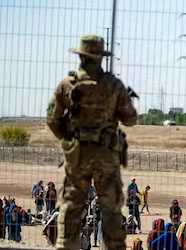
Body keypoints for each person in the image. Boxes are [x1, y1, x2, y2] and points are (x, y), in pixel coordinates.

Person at [46, 34, 137, 249]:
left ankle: (65, 244)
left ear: (81, 57)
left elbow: (52, 119)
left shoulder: (67, 85)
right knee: (111, 207)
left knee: (71, 203)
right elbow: (131, 119)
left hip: (77, 154)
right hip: (106, 154)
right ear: (100, 57)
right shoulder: (114, 85)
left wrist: (69, 140)